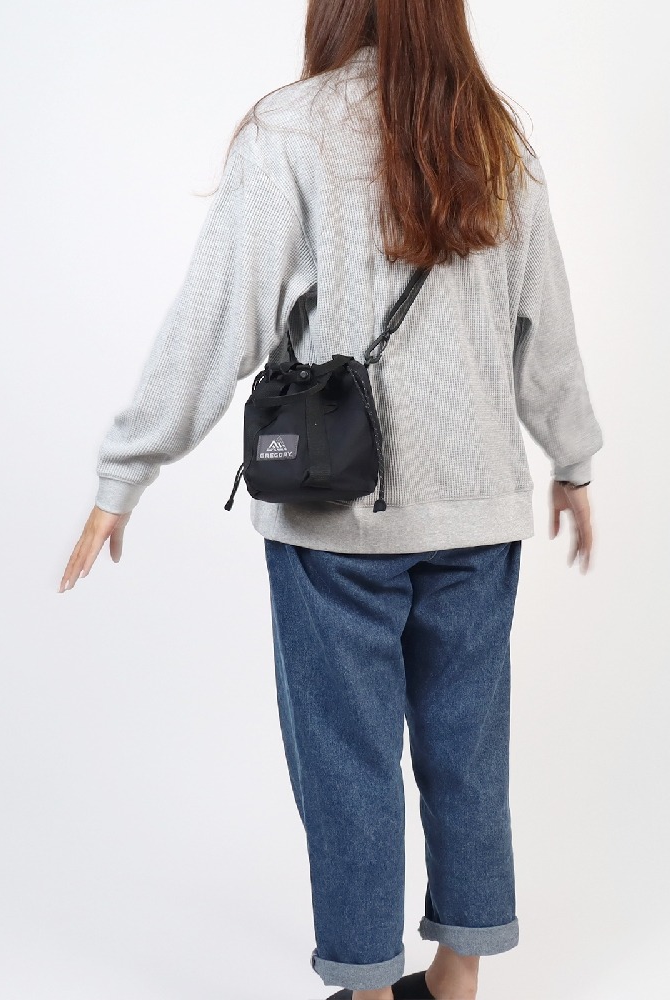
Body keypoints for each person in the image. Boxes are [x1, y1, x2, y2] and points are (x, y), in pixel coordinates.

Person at [59, 1, 603, 997]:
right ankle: (457, 976)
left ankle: (366, 986)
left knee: (348, 764)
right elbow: (546, 324)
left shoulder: (290, 131)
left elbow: (216, 321)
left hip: (336, 518)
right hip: (479, 512)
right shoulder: (495, 134)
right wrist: (572, 461)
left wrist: (125, 471)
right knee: (468, 751)